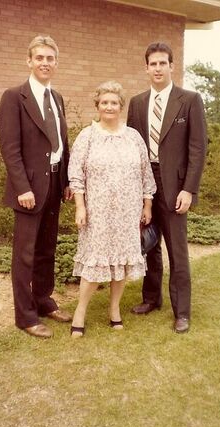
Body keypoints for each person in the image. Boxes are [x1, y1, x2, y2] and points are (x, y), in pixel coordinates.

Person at [127, 42, 207, 333]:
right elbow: (132, 148)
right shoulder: (136, 103)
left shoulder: (189, 100)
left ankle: (182, 311)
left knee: (177, 249)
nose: (158, 68)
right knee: (149, 243)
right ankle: (151, 299)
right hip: (145, 183)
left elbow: (198, 149)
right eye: (153, 64)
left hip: (175, 186)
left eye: (163, 63)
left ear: (172, 66)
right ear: (146, 67)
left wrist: (189, 189)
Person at [68, 81, 156, 338]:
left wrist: (147, 204)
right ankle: (80, 312)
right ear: (97, 105)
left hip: (128, 212)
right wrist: (80, 207)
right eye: (104, 102)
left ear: (121, 106)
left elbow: (145, 174)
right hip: (98, 213)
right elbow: (76, 175)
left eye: (114, 102)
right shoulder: (88, 135)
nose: (109, 106)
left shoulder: (133, 137)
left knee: (123, 262)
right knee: (95, 263)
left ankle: (114, 309)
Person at [0, 35, 72, 338]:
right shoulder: (14, 97)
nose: (45, 63)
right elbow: (10, 148)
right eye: (39, 58)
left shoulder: (57, 98)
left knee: (46, 250)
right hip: (28, 189)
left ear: (55, 63)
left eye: (50, 58)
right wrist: (22, 187)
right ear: (29, 61)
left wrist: (66, 180)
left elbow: (61, 145)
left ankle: (43, 301)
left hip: (54, 184)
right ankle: (26, 317)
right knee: (25, 254)